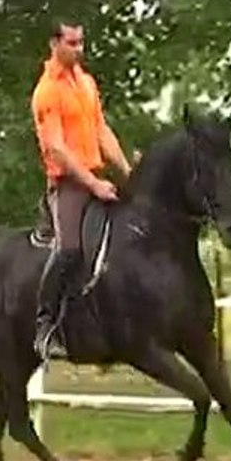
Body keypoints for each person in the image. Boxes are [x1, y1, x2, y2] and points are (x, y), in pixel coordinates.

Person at [30, 18, 133, 359]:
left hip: (97, 178)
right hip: (69, 185)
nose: (79, 50)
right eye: (72, 44)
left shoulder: (86, 83)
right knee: (70, 249)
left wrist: (128, 174)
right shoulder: (47, 92)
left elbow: (102, 131)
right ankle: (45, 326)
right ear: (53, 44)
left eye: (81, 43)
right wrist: (93, 184)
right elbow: (57, 148)